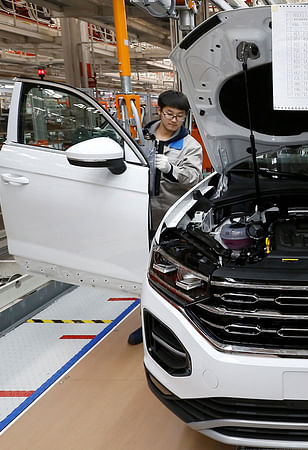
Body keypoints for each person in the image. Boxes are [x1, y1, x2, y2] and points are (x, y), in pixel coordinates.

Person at [128, 90, 203, 345]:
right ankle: (145, 321)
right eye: (169, 114)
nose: (174, 120)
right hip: (138, 214)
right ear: (159, 111)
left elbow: (194, 178)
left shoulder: (189, 145)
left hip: (171, 218)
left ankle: (173, 328)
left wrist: (171, 169)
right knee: (141, 272)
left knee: (168, 273)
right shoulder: (139, 139)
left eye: (180, 117)